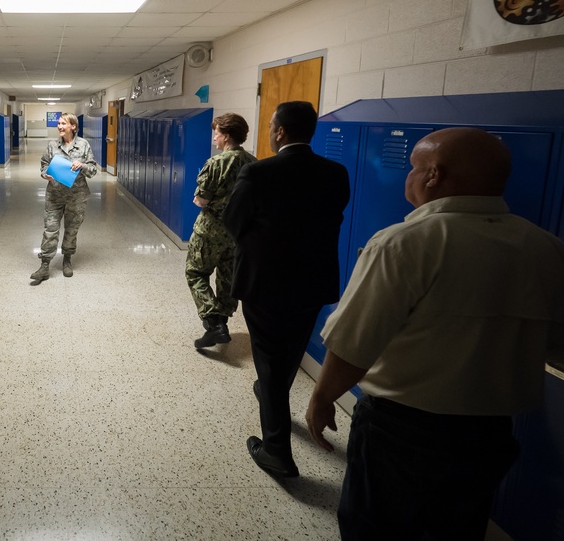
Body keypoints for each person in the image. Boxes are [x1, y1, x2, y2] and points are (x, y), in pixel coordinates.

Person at [306, 127, 564, 540]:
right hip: (490, 435)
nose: (407, 176)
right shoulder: (547, 248)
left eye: (414, 167)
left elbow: (353, 343)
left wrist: (321, 398)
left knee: (373, 526)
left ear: (433, 176)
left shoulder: (403, 243)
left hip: (403, 434)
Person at [222, 101, 349, 478]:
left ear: (279, 132)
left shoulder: (259, 172)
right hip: (313, 281)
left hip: (265, 282)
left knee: (269, 357)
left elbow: (233, 222)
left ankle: (276, 449)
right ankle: (271, 392)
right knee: (290, 349)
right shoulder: (336, 173)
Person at [186, 113, 257, 349]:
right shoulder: (253, 162)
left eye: (216, 133)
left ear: (225, 136)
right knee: (227, 278)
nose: (214, 137)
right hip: (237, 232)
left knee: (196, 273)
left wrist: (200, 198)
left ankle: (214, 322)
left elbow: (202, 199)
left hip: (210, 231)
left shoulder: (215, 163)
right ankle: (223, 321)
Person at [31, 112, 98, 282]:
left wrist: (81, 165)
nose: (59, 126)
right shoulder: (52, 146)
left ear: (73, 127)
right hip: (54, 195)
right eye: (59, 123)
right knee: (50, 230)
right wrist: (45, 174)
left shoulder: (84, 145)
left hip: (77, 196)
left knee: (71, 230)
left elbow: (92, 169)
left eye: (63, 123)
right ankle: (45, 265)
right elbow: (44, 164)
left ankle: (67, 259)